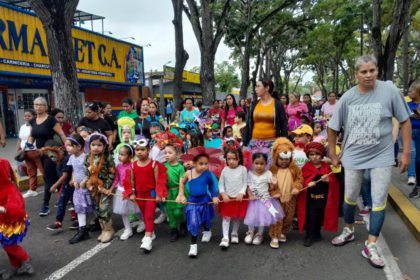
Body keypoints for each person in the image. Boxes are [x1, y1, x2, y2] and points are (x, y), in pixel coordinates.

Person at [328, 55, 411, 269]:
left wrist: (406, 153)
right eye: (363, 72)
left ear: (377, 71)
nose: (368, 75)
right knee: (350, 198)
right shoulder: (347, 98)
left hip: (382, 155)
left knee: (379, 199)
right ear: (356, 74)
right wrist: (333, 153)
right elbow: (332, 127)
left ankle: (371, 244)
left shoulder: (390, 91)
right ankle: (348, 229)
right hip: (354, 156)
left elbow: (405, 121)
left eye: (372, 70)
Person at [124, 138, 168, 252]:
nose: (139, 152)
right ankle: (151, 232)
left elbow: (160, 180)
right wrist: (131, 193)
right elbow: (130, 181)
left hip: (151, 195)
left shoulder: (154, 164)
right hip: (139, 196)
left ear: (148, 150)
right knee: (144, 214)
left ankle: (148, 239)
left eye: (142, 149)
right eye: (137, 149)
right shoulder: (133, 166)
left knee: (149, 215)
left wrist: (159, 193)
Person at [27, 97, 66, 217]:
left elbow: (61, 134)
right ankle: (64, 193)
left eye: (40, 105)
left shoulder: (51, 120)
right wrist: (28, 146)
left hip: (51, 151)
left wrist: (68, 148)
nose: (38, 107)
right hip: (39, 153)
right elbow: (32, 136)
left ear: (45, 107)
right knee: (54, 175)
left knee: (48, 177)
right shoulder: (33, 121)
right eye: (36, 104)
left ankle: (45, 205)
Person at [176, 153, 219, 257]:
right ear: (194, 163)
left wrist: (214, 195)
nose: (204, 166)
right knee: (193, 222)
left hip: (204, 200)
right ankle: (193, 245)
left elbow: (212, 185)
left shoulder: (207, 174)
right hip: (193, 202)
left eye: (206, 163)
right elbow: (181, 182)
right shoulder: (188, 173)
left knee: (205, 218)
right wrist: (181, 195)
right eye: (201, 163)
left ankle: (207, 231)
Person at [298, 142, 339, 247]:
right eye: (311, 154)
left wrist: (328, 180)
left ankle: (317, 232)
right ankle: (309, 236)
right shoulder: (306, 167)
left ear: (321, 155)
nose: (314, 157)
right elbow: (302, 181)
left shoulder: (326, 168)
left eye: (317, 154)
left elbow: (334, 182)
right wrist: (308, 183)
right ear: (308, 156)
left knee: (320, 216)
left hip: (322, 198)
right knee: (311, 217)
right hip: (310, 199)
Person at [0, 158, 34, 279]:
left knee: (8, 245)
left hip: (10, 224)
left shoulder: (9, 188)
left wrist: (4, 209)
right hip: (3, 222)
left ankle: (25, 259)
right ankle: (16, 265)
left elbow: (16, 207)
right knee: (7, 244)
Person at [243, 79, 288, 167]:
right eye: (256, 86)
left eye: (258, 86)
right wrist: (245, 143)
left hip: (271, 144)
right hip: (254, 142)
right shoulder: (254, 104)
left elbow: (283, 126)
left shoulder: (278, 104)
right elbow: (249, 124)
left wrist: (283, 144)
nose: (256, 89)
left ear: (267, 88)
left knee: (269, 170)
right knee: (251, 169)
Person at [268, 138, 303, 248]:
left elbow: (299, 178)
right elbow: (269, 184)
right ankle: (274, 236)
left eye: (287, 159)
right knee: (277, 217)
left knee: (288, 217)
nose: (284, 162)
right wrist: (274, 192)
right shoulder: (272, 169)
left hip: (290, 198)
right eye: (281, 159)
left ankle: (282, 231)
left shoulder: (294, 168)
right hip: (277, 199)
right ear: (276, 157)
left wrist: (296, 187)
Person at [244, 153, 284, 246]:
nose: (259, 166)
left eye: (262, 164)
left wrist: (274, 183)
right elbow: (248, 187)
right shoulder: (249, 174)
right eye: (256, 163)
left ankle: (259, 234)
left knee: (262, 217)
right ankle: (250, 232)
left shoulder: (268, 173)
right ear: (252, 163)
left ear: (266, 164)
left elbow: (271, 187)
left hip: (265, 200)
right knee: (252, 216)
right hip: (254, 201)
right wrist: (250, 195)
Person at [84, 133, 116, 243]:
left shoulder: (108, 157)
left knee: (103, 208)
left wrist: (106, 187)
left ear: (105, 146)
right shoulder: (88, 157)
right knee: (97, 208)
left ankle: (109, 230)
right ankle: (103, 229)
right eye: (93, 145)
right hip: (94, 187)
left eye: (99, 145)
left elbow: (112, 173)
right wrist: (89, 184)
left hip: (105, 187)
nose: (96, 147)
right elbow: (87, 171)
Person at [46, 137, 79, 232]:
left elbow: (65, 175)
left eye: (52, 154)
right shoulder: (58, 160)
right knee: (61, 203)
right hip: (65, 185)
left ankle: (78, 220)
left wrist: (55, 185)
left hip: (72, 184)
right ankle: (58, 222)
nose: (51, 157)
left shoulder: (66, 159)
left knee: (75, 202)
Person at [218, 147, 248, 248]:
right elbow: (221, 184)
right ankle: (225, 237)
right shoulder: (225, 170)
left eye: (234, 159)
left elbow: (245, 183)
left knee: (237, 217)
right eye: (229, 159)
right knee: (226, 218)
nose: (231, 161)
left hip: (238, 198)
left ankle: (234, 233)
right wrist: (223, 193)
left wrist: (242, 192)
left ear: (239, 159)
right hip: (227, 198)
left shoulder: (243, 169)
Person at [66, 134, 93, 244]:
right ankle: (82, 230)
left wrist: (84, 181)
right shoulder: (72, 157)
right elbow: (74, 170)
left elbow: (90, 171)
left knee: (91, 207)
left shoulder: (86, 157)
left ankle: (97, 224)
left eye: (70, 145)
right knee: (80, 207)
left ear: (78, 146)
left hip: (87, 187)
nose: (67, 147)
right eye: (67, 145)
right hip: (78, 188)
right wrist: (73, 180)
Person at [112, 144, 140, 241]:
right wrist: (111, 188)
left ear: (130, 156)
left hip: (131, 191)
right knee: (123, 212)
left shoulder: (133, 166)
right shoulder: (119, 166)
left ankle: (144, 222)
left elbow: (135, 180)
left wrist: (133, 191)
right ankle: (128, 229)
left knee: (137, 209)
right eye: (119, 154)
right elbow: (117, 178)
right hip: (121, 190)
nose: (120, 156)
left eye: (123, 154)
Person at [163, 144, 187, 242]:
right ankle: (174, 230)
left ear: (176, 154)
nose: (167, 155)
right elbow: (162, 181)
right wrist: (162, 193)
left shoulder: (180, 167)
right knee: (170, 213)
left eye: (170, 153)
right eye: (165, 153)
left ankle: (182, 223)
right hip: (168, 192)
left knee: (178, 212)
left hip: (178, 190)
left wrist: (180, 194)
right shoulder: (164, 166)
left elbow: (182, 182)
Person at [17, 109, 41, 198]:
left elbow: (33, 138)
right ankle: (32, 190)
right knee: (31, 171)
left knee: (43, 170)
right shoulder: (22, 126)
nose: (27, 117)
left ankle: (52, 186)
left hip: (35, 151)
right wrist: (18, 148)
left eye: (29, 116)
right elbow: (20, 139)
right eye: (25, 116)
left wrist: (27, 147)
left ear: (34, 116)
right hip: (25, 152)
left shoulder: (36, 125)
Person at [407, 81, 420, 198]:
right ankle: (411, 176)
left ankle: (418, 184)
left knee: (419, 160)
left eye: (411, 91)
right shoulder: (408, 104)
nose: (409, 93)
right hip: (410, 133)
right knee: (412, 154)